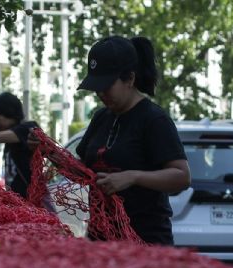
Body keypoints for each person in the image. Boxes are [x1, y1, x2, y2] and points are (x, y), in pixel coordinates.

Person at [75, 36, 190, 245]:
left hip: (145, 243)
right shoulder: (101, 117)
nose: (100, 93)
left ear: (129, 78)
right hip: (101, 240)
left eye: (106, 85)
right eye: (96, 87)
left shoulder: (154, 119)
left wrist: (133, 177)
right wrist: (49, 152)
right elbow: (83, 170)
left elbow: (182, 177)